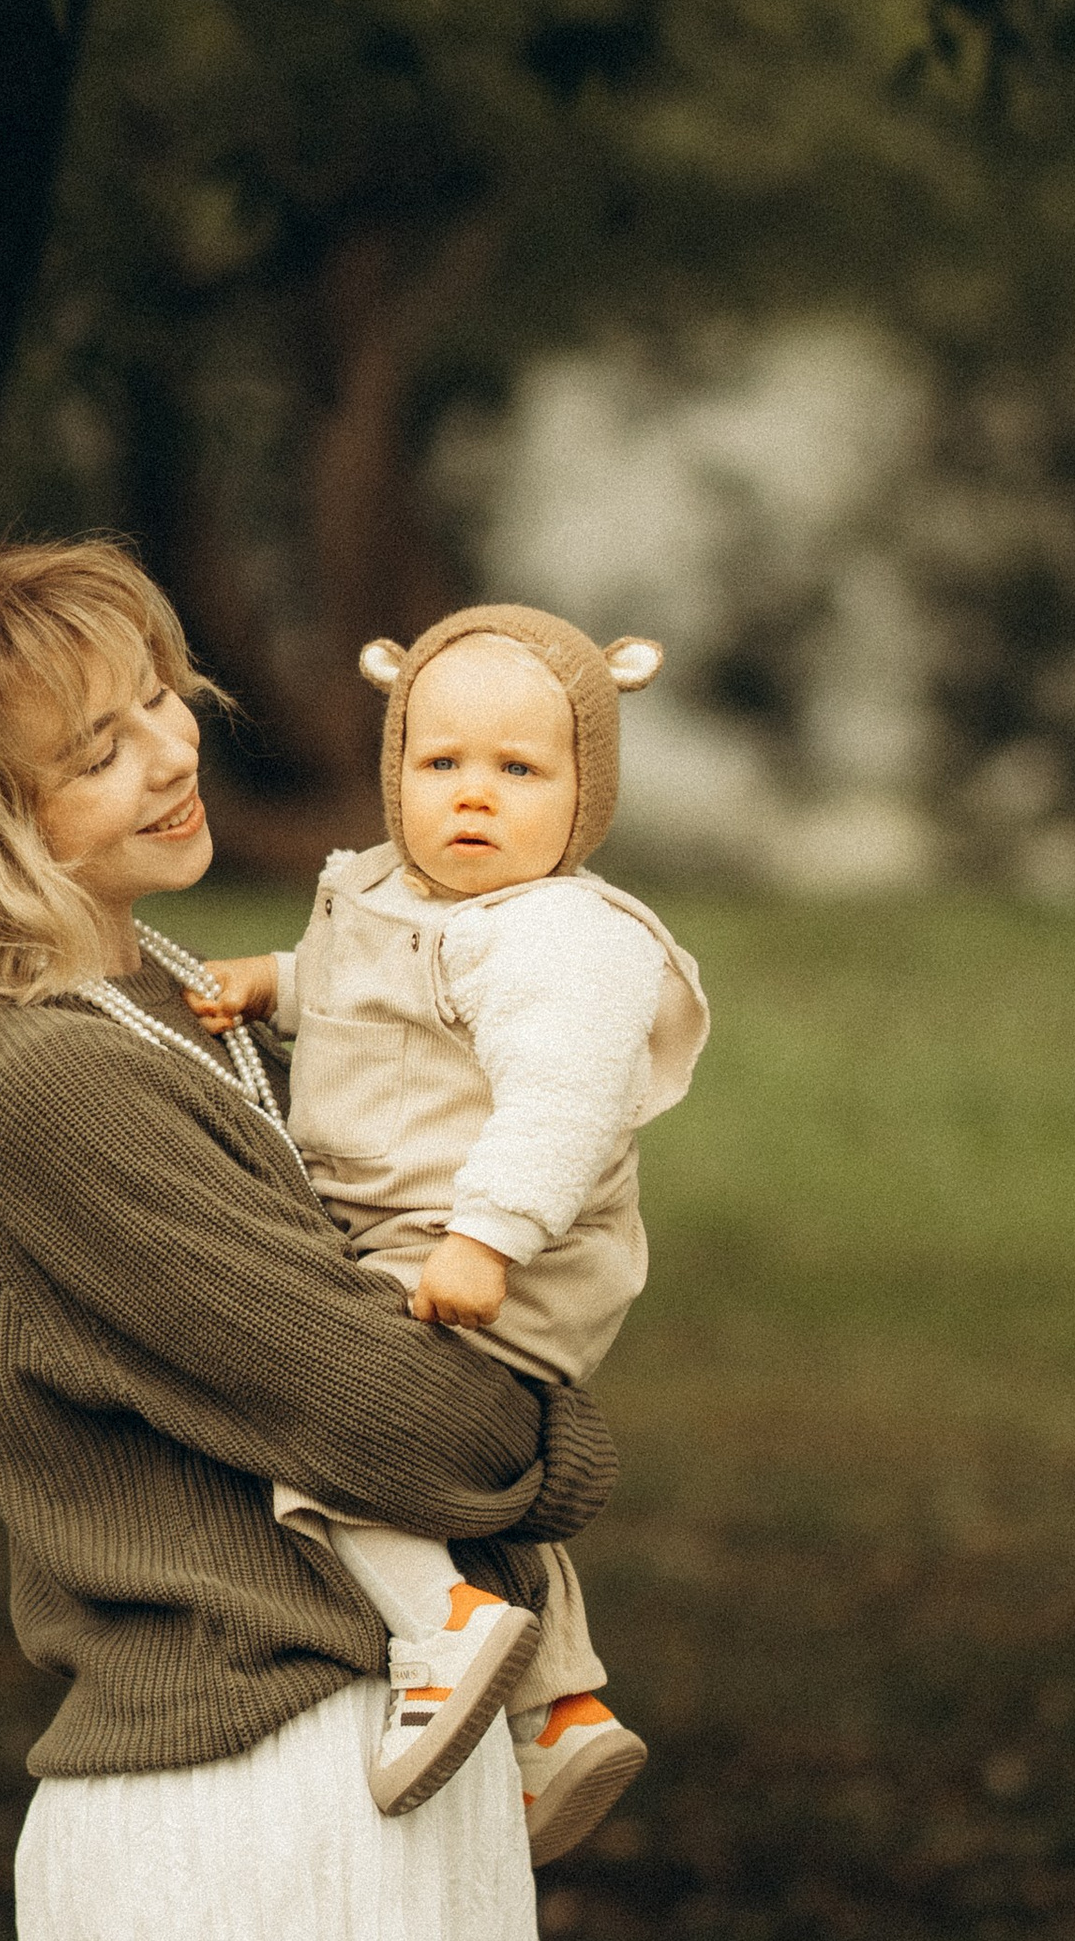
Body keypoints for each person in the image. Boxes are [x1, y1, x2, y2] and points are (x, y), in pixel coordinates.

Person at [0, 538, 609, 1941]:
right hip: (254, 1809)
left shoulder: (170, 998)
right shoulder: (47, 1079)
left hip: (363, 1770)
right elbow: (396, 1419)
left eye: (160, 693)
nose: (172, 747)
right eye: (95, 749)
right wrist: (557, 1437)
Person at [187, 601, 710, 1861]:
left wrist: (488, 1238)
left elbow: (564, 1104)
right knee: (455, 1482)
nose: (473, 798)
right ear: (395, 769)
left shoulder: (561, 940)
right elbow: (365, 994)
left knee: (325, 1421)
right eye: (441, 764)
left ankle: (441, 1630)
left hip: (489, 1246)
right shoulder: (385, 890)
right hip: (407, 1234)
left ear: (587, 792)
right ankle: (561, 1709)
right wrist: (273, 982)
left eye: (519, 771)